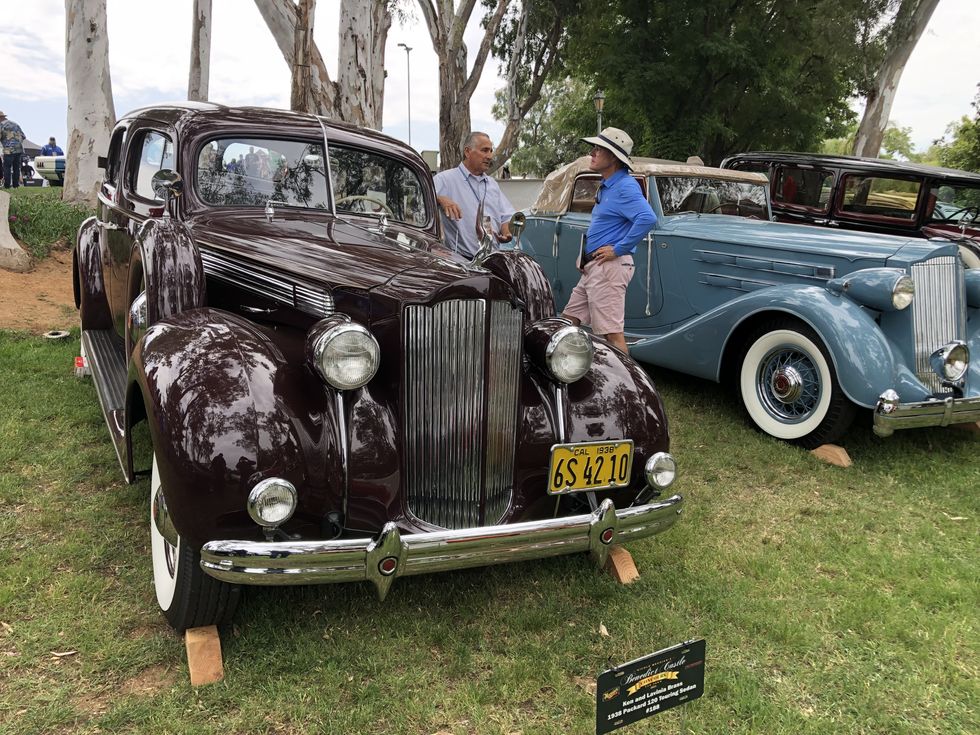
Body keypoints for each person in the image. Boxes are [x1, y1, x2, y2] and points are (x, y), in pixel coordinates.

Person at [560, 127, 656, 354]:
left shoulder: (624, 186)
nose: (592, 153)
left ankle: (628, 387)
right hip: (595, 267)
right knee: (567, 320)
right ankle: (563, 371)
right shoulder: (608, 186)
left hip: (608, 268)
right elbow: (604, 227)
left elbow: (647, 218)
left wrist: (618, 249)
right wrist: (586, 257)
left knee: (612, 335)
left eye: (598, 149)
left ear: (613, 157)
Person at [434, 132, 515, 259]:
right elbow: (421, 200)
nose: (489, 156)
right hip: (462, 262)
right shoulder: (445, 180)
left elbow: (506, 216)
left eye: (491, 151)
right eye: (484, 150)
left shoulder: (492, 185)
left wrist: (506, 231)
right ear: (467, 152)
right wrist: (440, 199)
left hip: (493, 261)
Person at [0, 110, 27, 189]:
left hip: (8, 150)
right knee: (16, 167)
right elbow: (23, 136)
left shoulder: (1, 126)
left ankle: (7, 185)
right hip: (19, 149)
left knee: (7, 167)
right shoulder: (15, 124)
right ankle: (16, 185)